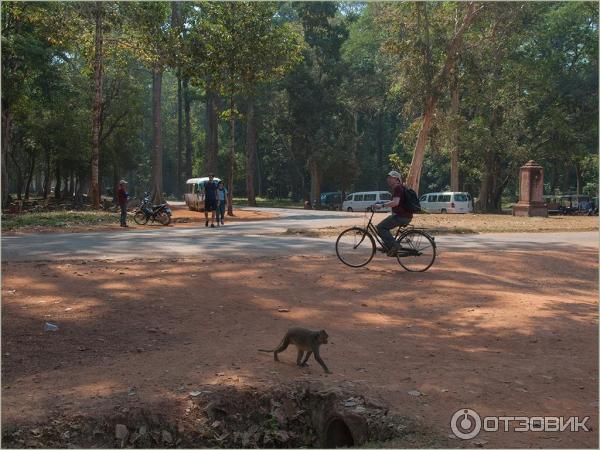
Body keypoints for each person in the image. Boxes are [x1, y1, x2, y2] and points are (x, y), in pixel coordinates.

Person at [374, 171, 413, 256]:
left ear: (397, 179)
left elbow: (395, 202)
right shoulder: (400, 187)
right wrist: (381, 203)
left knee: (381, 227)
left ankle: (394, 245)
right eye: (388, 178)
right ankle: (388, 244)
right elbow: (394, 201)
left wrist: (382, 205)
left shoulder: (398, 188)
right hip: (404, 216)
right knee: (385, 226)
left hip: (402, 216)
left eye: (391, 178)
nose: (388, 180)